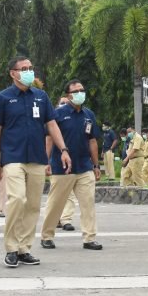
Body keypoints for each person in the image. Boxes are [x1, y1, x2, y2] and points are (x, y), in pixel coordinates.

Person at [0, 55, 71, 268]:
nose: (29, 71)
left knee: (33, 205)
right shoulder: (3, 98)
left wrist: (63, 149)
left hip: (36, 158)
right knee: (17, 199)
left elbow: (52, 125)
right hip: (13, 157)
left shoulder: (41, 97)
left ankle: (25, 249)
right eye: (23, 68)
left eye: (30, 67)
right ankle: (11, 248)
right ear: (13, 73)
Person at [40, 80, 102, 250]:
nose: (80, 93)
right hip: (62, 168)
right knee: (55, 204)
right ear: (68, 95)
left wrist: (96, 165)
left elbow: (93, 141)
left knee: (88, 203)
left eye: (82, 90)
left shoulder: (89, 115)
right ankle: (47, 236)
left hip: (84, 167)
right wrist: (46, 161)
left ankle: (89, 238)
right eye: (75, 91)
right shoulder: (58, 114)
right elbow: (49, 139)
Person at [56, 96, 77, 232]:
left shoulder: (76, 118)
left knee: (70, 194)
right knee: (57, 194)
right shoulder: (53, 120)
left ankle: (66, 220)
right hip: (56, 161)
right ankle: (56, 219)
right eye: (61, 103)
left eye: (66, 103)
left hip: (74, 161)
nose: (64, 105)